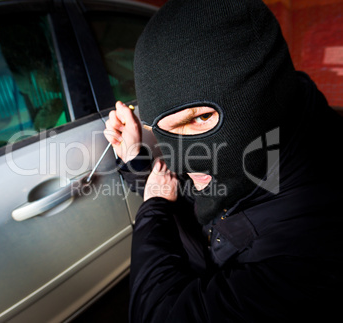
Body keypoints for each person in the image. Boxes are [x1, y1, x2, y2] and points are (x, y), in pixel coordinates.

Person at [104, 0, 343, 321]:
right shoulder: (252, 155)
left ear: (263, 93)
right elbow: (192, 192)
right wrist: (135, 161)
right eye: (160, 129)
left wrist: (154, 209)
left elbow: (159, 314)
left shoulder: (313, 245)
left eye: (200, 117)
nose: (181, 160)